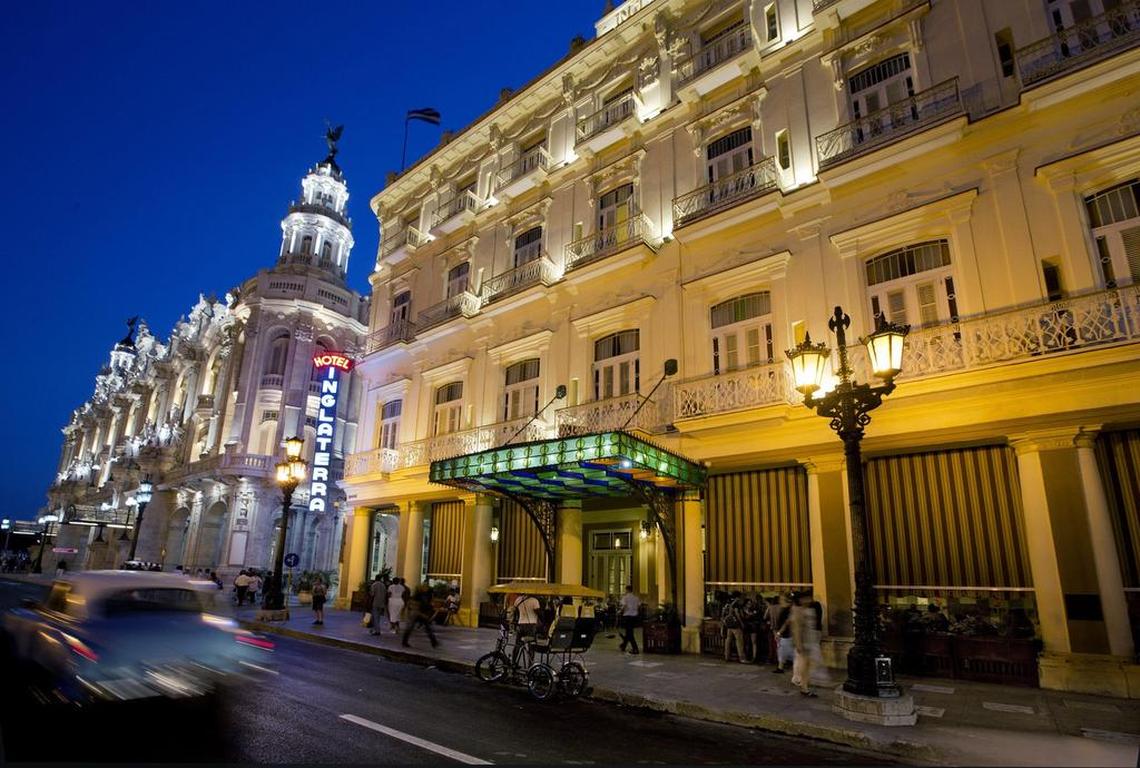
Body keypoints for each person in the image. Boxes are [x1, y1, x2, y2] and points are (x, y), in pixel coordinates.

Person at [790, 592, 822, 697]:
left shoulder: (807, 610)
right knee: (805, 665)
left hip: (810, 640)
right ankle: (804, 686)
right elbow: (797, 628)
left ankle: (804, 685)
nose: (809, 600)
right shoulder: (798, 611)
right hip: (805, 642)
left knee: (807, 664)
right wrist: (799, 643)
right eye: (807, 598)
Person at [402, 582, 439, 648]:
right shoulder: (418, 595)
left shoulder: (428, 595)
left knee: (428, 628)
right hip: (417, 613)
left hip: (423, 613)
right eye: (424, 587)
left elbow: (429, 603)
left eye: (426, 587)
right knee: (410, 628)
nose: (426, 588)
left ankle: (434, 642)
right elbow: (413, 604)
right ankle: (404, 641)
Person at [721, 591, 747, 663]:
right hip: (736, 625)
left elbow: (723, 613)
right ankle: (742, 658)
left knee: (728, 640)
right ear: (738, 596)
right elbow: (737, 613)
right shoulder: (736, 603)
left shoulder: (728, 602)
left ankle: (727, 656)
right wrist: (741, 623)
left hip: (729, 625)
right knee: (739, 641)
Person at [772, 593, 794, 673]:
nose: (780, 600)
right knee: (782, 651)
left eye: (781, 599)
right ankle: (780, 667)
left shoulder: (789, 609)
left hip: (787, 634)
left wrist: (779, 633)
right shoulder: (784, 609)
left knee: (787, 652)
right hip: (785, 634)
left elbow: (787, 622)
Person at [618, 584, 641, 655]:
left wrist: (620, 611)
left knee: (630, 633)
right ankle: (623, 646)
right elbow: (639, 605)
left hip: (627, 616)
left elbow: (624, 605)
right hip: (634, 617)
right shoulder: (636, 598)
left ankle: (635, 649)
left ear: (627, 590)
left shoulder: (625, 597)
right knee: (629, 632)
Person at [743, 596, 762, 663]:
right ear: (745, 604)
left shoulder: (753, 610)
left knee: (753, 642)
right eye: (748, 603)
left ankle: (754, 657)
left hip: (752, 627)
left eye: (750, 603)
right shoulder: (743, 610)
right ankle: (748, 656)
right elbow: (745, 617)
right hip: (747, 627)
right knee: (747, 642)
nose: (749, 605)